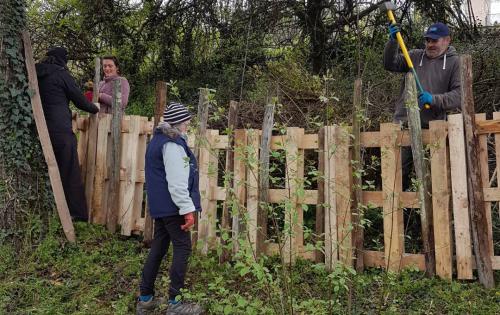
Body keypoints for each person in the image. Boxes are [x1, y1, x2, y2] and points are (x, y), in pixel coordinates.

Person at [137, 102, 203, 315]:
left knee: (159, 247)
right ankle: (176, 304)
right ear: (180, 123)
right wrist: (187, 209)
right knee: (182, 248)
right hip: (173, 207)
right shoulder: (172, 144)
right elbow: (176, 182)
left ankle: (146, 299)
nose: (188, 125)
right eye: (187, 122)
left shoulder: (157, 140)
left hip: (161, 206)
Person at [383, 22, 461, 189]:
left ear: (447, 40)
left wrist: (434, 99)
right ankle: (400, 214)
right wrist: (392, 42)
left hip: (433, 128)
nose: (430, 45)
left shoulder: (455, 63)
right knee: (398, 174)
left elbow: (459, 95)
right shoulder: (415, 56)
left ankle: (431, 215)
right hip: (404, 124)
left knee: (435, 176)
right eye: (427, 40)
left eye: (434, 41)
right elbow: (390, 64)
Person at [35, 47, 99, 221]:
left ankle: (49, 211)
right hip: (61, 131)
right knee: (70, 172)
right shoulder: (61, 74)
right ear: (62, 60)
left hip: (40, 131)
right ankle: (77, 214)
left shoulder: (35, 72)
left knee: (44, 172)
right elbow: (79, 100)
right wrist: (94, 108)